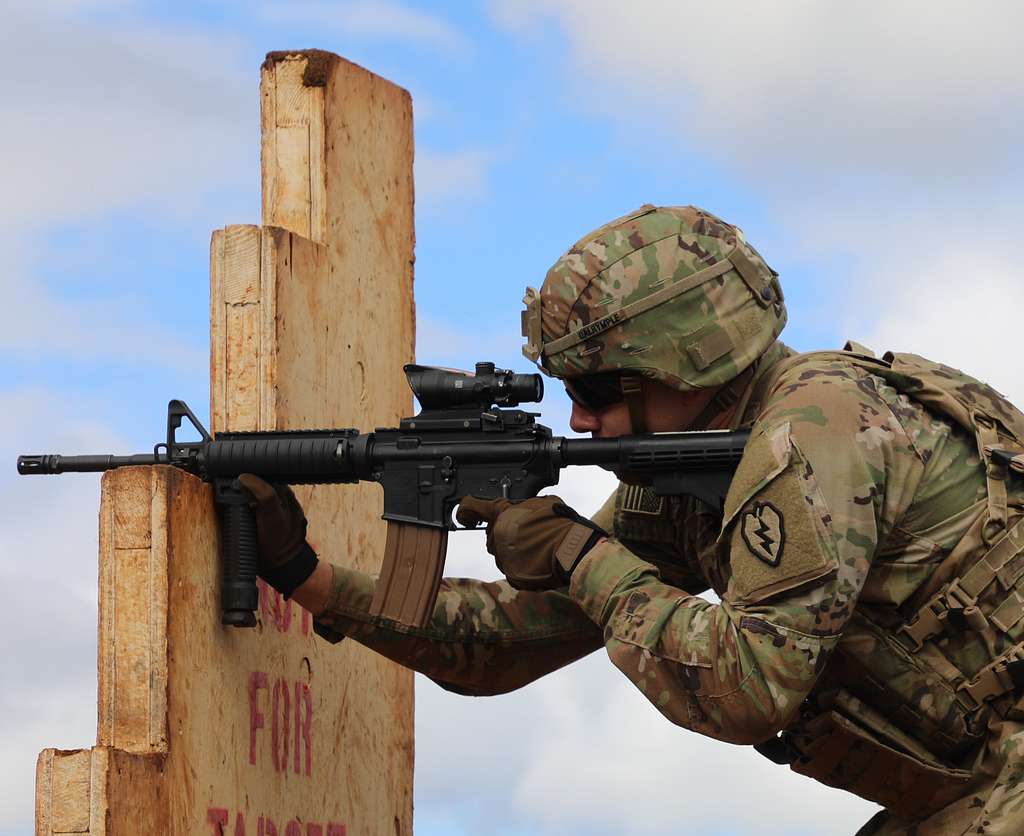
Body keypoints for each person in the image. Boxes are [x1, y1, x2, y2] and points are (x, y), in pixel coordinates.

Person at [240, 205, 1024, 835]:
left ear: (684, 361)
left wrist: (581, 555)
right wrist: (307, 578)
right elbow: (514, 642)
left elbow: (747, 687)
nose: (579, 419)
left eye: (598, 388)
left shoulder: (815, 434)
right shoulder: (690, 467)